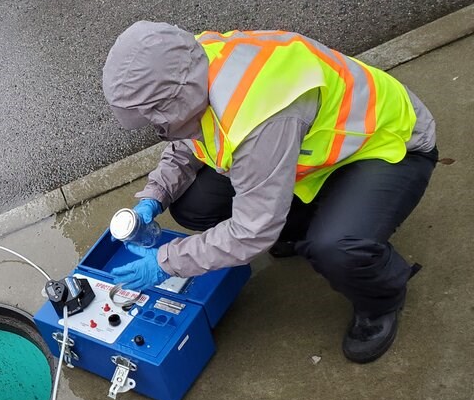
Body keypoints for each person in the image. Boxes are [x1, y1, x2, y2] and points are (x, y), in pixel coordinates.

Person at [102, 22, 438, 363]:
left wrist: (166, 262)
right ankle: (304, 230)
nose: (152, 124)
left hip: (384, 145)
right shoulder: (192, 63)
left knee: (335, 247)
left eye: (153, 114)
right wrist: (154, 196)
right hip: (310, 153)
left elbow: (252, 231)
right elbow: (188, 142)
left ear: (176, 97)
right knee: (193, 204)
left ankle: (381, 298)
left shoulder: (260, 115)